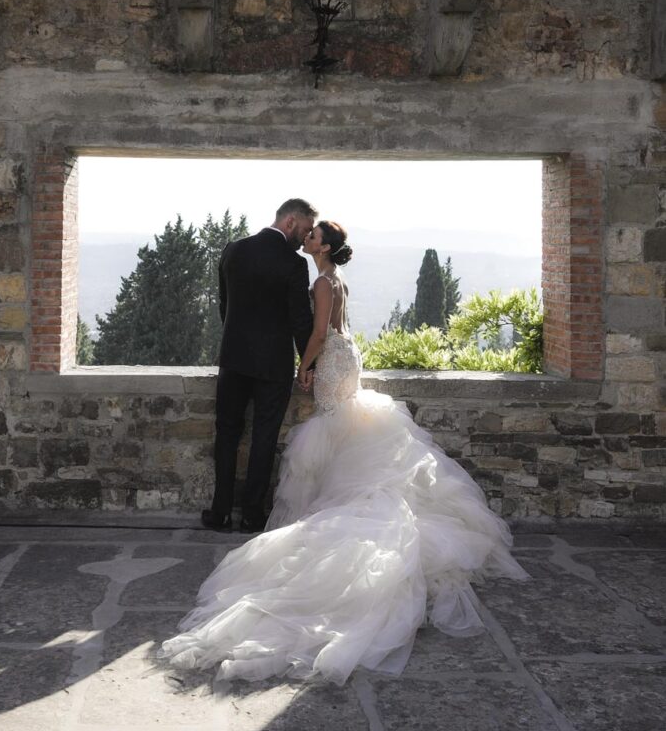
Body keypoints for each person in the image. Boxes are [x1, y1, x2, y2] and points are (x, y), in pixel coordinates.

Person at [163, 221, 528, 684]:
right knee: (346, 429)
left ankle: (335, 507)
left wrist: (304, 367)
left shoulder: (319, 280)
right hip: (348, 356)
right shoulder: (338, 278)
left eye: (313, 236)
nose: (306, 239)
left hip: (331, 359)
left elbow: (317, 332)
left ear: (325, 246)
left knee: (330, 427)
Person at [202, 198, 317, 534]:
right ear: (291, 222)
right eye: (306, 229)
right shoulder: (293, 264)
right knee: (264, 437)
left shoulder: (234, 250)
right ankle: (252, 514)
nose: (305, 237)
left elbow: (225, 305)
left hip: (234, 358)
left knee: (226, 433)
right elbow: (300, 321)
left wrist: (237, 341)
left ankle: (220, 512)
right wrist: (308, 365)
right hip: (273, 365)